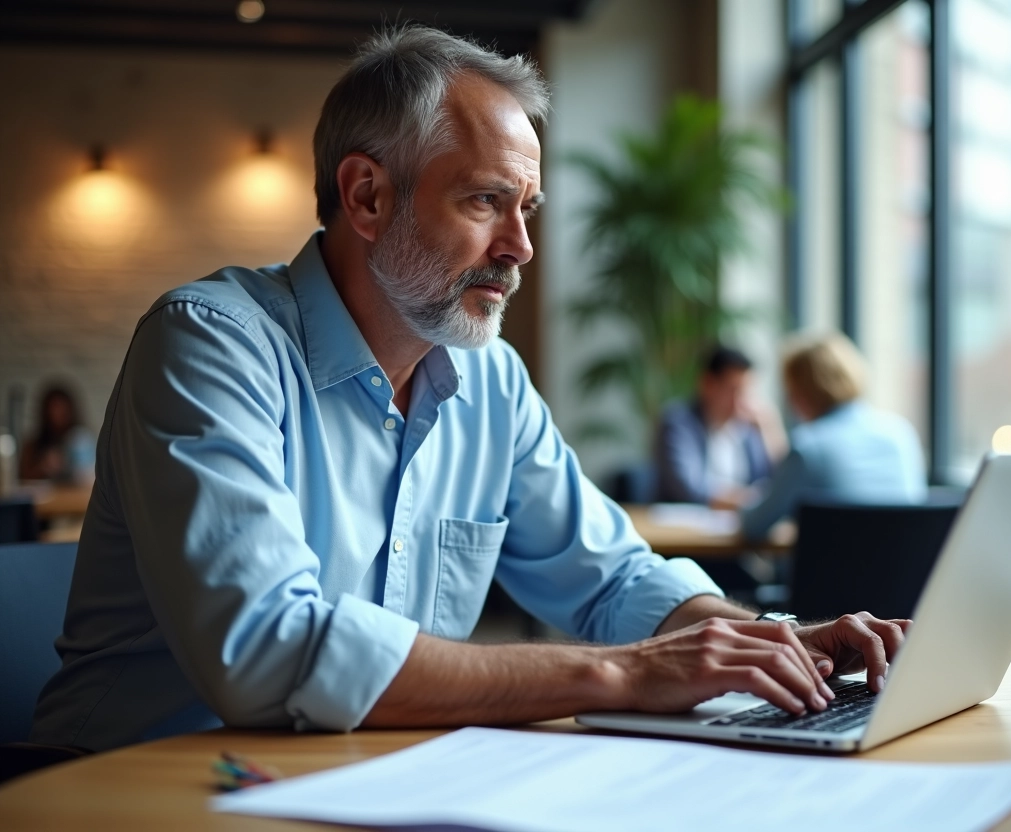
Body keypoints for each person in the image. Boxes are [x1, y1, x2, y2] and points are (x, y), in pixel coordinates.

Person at [32, 26, 906, 753]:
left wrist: (768, 642)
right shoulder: (210, 344)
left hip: (366, 781)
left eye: (528, 208)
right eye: (488, 201)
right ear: (367, 197)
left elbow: (610, 580)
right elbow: (268, 652)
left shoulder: (491, 380)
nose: (521, 247)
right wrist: (624, 673)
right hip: (145, 791)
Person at [740, 333, 928, 541]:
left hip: (831, 563)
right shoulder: (901, 433)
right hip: (901, 562)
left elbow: (754, 525)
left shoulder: (808, 446)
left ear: (800, 391)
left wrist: (743, 502)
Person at [654, 345, 786, 508]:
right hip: (685, 521)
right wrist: (748, 499)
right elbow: (688, 488)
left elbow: (776, 481)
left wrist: (771, 429)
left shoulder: (747, 427)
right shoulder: (678, 423)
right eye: (734, 390)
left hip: (739, 521)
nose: (740, 401)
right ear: (708, 384)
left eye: (746, 392)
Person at [18, 384, 95, 484]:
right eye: (52, 408)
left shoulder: (81, 441)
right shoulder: (32, 445)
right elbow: (22, 479)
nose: (56, 414)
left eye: (61, 409)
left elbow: (88, 476)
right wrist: (43, 467)